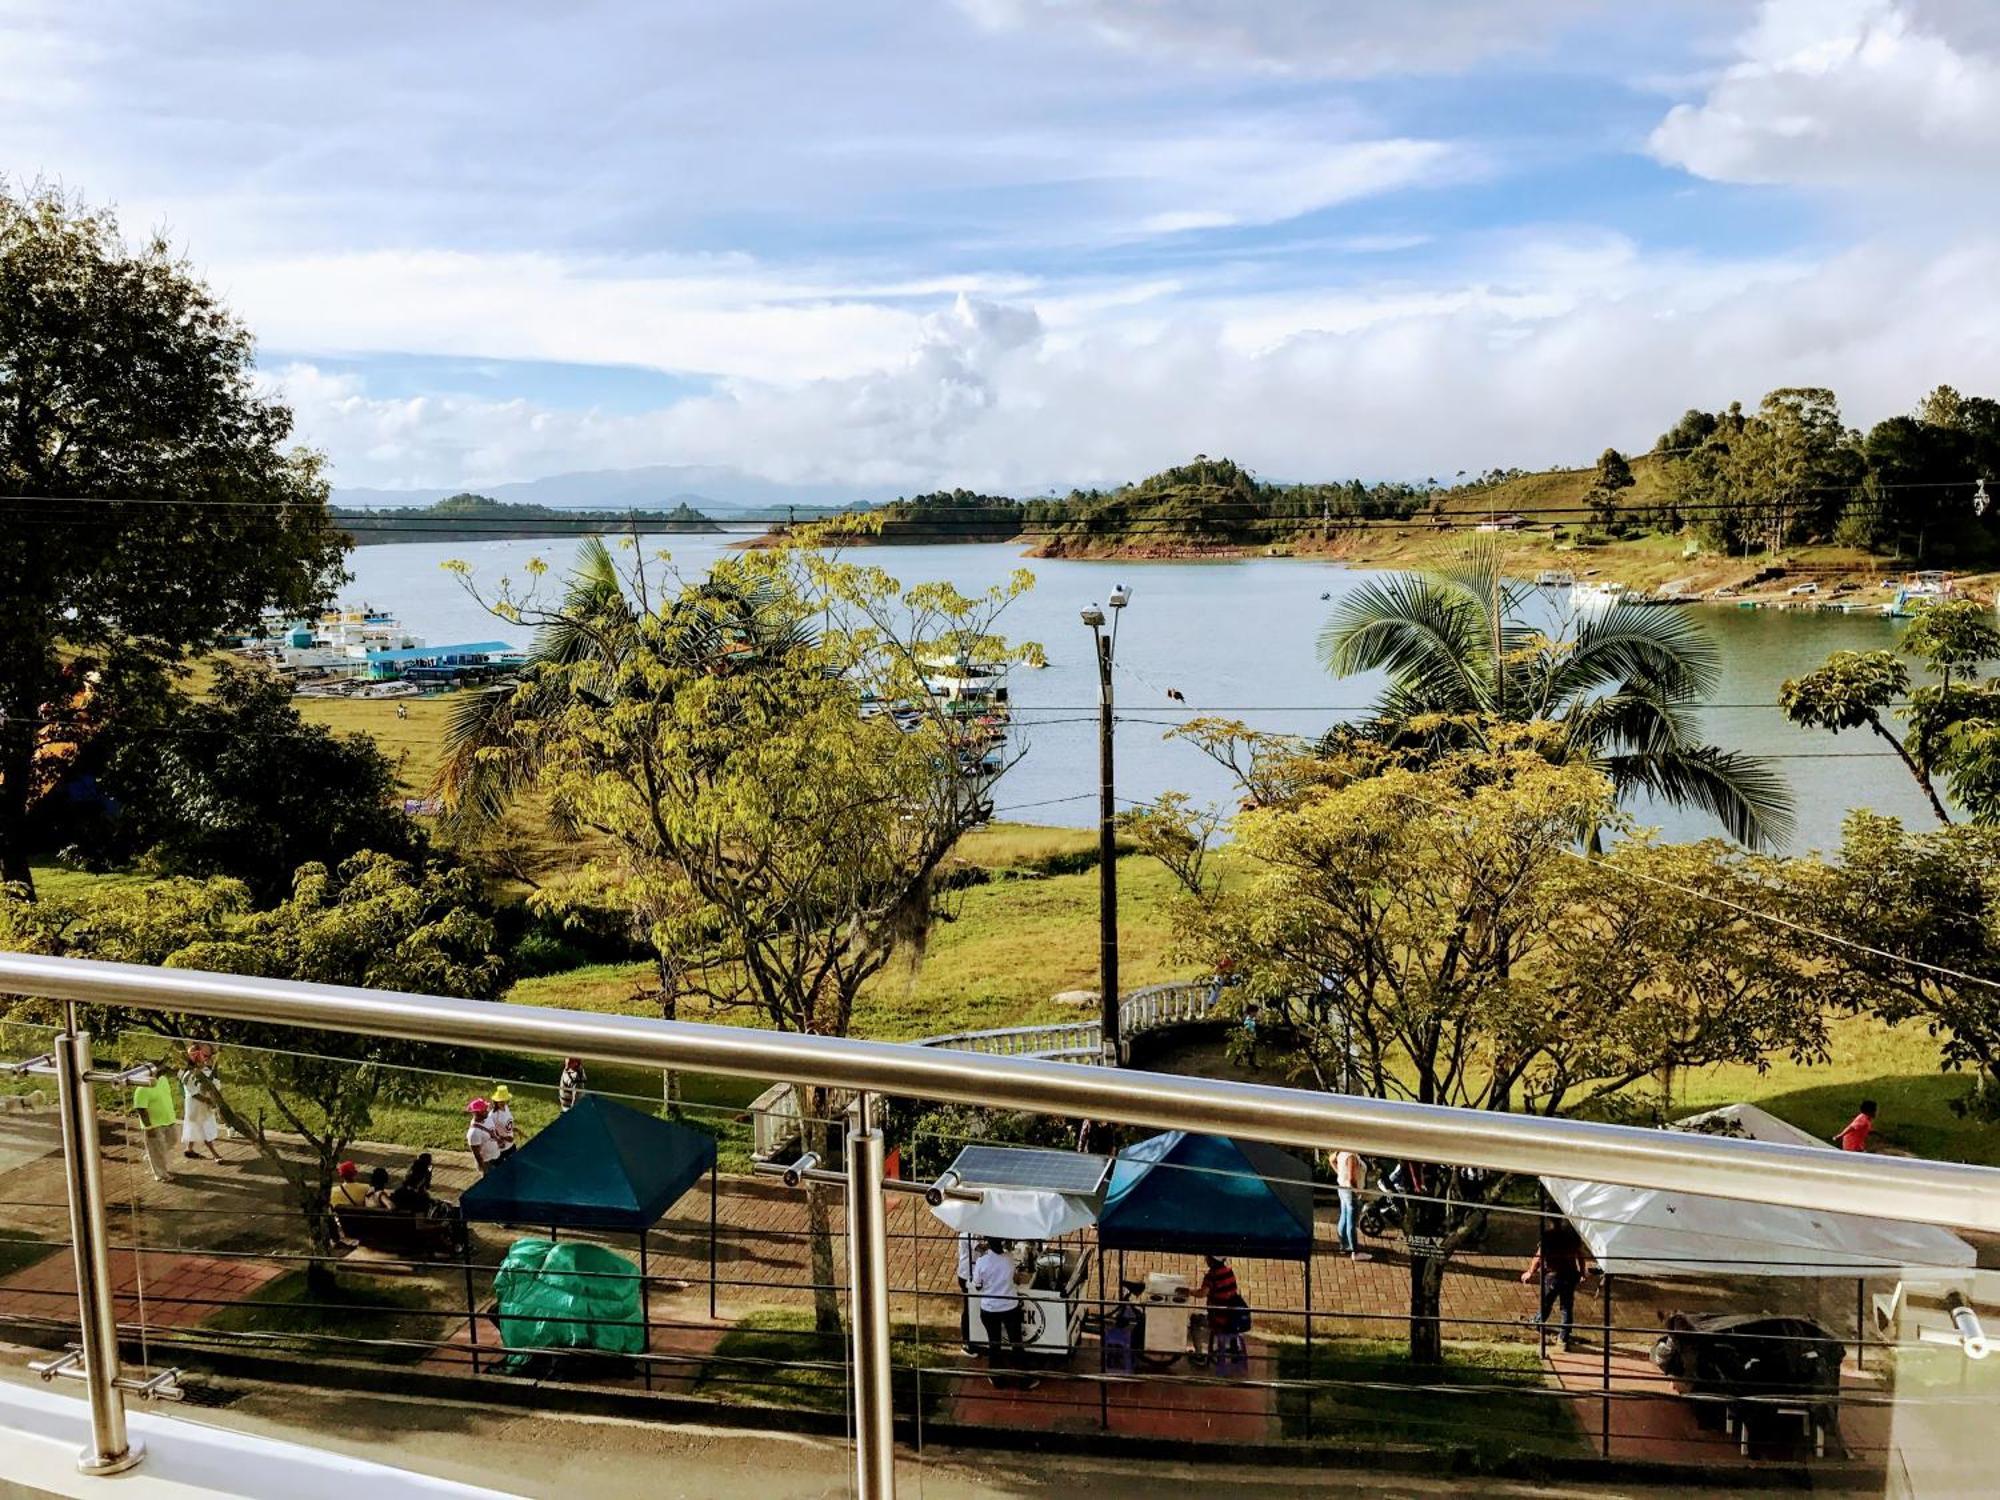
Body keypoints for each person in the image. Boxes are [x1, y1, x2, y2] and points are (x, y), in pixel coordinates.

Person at [969, 1238, 1037, 1390]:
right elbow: (1014, 1278)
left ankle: (997, 1378)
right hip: (1010, 1307)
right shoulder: (1009, 1258)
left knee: (994, 1344)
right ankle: (1023, 1379)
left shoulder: (982, 1262)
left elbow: (978, 1285)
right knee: (1016, 1343)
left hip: (990, 1309)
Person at [1524, 1216, 1594, 1351]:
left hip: (1553, 1275)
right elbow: (1580, 1255)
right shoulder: (1572, 1235)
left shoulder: (1549, 1236)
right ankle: (1564, 1338)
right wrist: (1581, 1272)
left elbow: (1539, 1257)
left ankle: (1538, 1322)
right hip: (1570, 1275)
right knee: (1566, 1307)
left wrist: (1530, 1272)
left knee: (1546, 1302)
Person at [128, 1068, 179, 1184]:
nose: (164, 1070)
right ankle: (161, 1175)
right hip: (154, 1125)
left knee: (173, 1140)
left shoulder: (163, 1080)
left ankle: (153, 1156)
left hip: (169, 1120)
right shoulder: (142, 1089)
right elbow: (141, 1109)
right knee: (157, 1148)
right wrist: (148, 1127)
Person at [1193, 1253, 1245, 1362]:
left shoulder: (1211, 1276)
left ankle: (1199, 1355)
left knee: (1195, 1320)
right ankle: (1233, 1348)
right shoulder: (1229, 1272)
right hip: (1233, 1317)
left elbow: (1202, 1294)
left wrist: (1188, 1292)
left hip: (1218, 1319)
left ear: (1212, 1260)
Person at [178, 1045, 224, 1163]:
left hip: (203, 1105)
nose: (205, 1059)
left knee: (196, 1126)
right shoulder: (188, 1075)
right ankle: (215, 1154)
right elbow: (193, 1093)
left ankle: (189, 1148)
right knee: (204, 1128)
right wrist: (209, 1101)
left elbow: (216, 1084)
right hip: (196, 1105)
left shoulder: (207, 1071)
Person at [1333, 1147, 1369, 1259]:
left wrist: (1340, 1175)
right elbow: (1352, 1179)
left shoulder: (1341, 1151)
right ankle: (1355, 1253)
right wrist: (1357, 1192)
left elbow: (1331, 1159)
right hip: (1350, 1192)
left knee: (1344, 1217)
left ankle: (1343, 1246)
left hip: (1342, 1188)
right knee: (1351, 1223)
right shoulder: (1351, 1156)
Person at [465, 1098, 503, 1176]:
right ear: (476, 1113)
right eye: (484, 1110)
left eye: (486, 1108)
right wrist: (484, 1169)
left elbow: (493, 1130)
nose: (487, 1111)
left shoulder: (487, 1118)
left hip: (497, 1156)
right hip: (488, 1163)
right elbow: (477, 1154)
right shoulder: (474, 1133)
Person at [488, 1085, 518, 1156]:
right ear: (496, 1101)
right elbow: (490, 1131)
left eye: (504, 1100)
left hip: (511, 1145)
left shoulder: (506, 1108)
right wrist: (504, 1138)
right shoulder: (492, 1115)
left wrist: (515, 1129)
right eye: (500, 1100)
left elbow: (508, 1123)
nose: (503, 1102)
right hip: (501, 1149)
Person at [1241, 1004, 1261, 1069]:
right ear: (1251, 1012)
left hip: (1252, 1037)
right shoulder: (1248, 1021)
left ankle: (1250, 1061)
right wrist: (1247, 1037)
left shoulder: (1252, 1019)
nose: (1256, 1013)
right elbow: (1246, 1029)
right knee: (1250, 1050)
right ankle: (1250, 1061)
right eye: (1255, 1012)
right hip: (1249, 1038)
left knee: (1251, 1050)